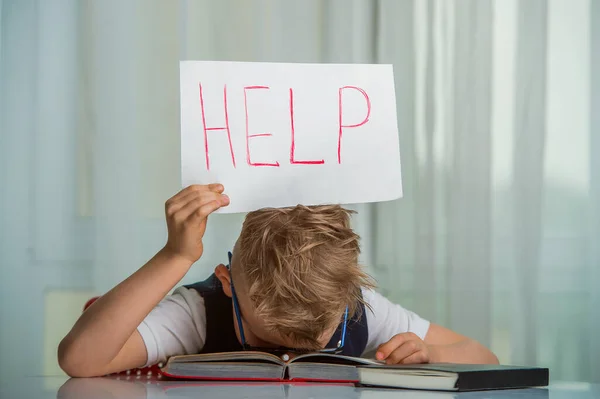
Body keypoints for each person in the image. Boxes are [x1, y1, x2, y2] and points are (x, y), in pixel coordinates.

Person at [58, 184, 498, 378]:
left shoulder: (361, 308)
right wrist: (176, 255)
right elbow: (79, 360)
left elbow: (484, 358)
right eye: (263, 337)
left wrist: (431, 352)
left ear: (348, 296)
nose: (287, 355)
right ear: (226, 282)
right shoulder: (199, 312)